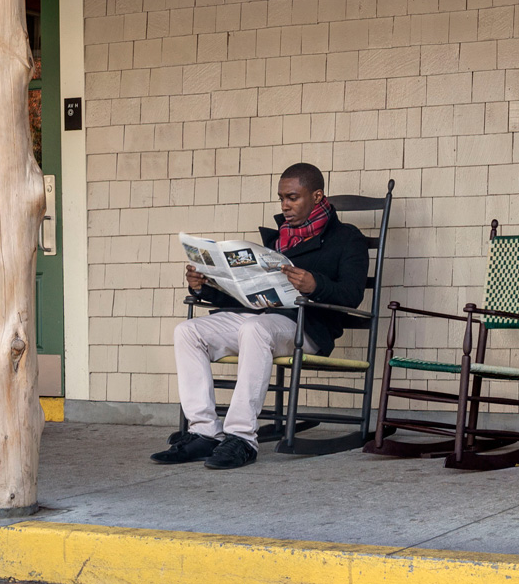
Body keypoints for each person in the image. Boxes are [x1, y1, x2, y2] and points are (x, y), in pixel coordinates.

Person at [150, 162, 369, 470]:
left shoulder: (347, 238)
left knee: (255, 329)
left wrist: (315, 284)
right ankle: (204, 433)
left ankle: (241, 438)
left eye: (293, 197)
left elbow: (351, 294)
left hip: (305, 326)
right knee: (187, 332)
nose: (285, 205)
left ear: (317, 196)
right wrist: (204, 285)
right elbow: (245, 293)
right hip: (258, 316)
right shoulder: (277, 240)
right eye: (281, 198)